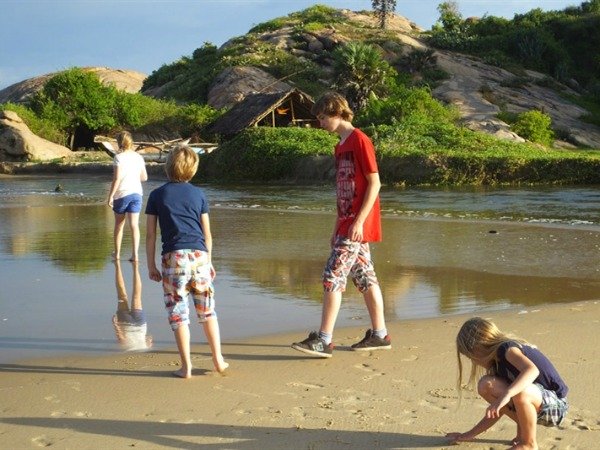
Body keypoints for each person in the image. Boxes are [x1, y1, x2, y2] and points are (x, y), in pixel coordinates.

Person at [291, 92, 390, 358]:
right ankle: (380, 334)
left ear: (336, 113)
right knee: (365, 277)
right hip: (346, 222)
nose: (320, 122)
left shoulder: (359, 140)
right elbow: (344, 190)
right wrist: (337, 224)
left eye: (322, 117)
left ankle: (324, 340)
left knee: (332, 276)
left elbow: (375, 183)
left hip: (356, 224)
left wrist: (358, 221)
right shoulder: (340, 145)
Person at [145, 145, 228, 378]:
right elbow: (207, 233)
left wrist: (151, 265)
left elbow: (151, 234)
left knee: (178, 313)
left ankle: (186, 366)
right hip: (200, 256)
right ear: (193, 169)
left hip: (174, 258)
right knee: (207, 311)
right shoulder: (199, 194)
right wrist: (209, 262)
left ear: (167, 166)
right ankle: (218, 359)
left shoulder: (156, 195)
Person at [446, 317, 569, 450]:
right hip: (537, 402)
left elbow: (532, 371)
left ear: (479, 346)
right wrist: (469, 434)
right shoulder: (497, 365)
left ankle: (529, 444)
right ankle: (523, 434)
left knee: (519, 390)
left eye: (471, 356)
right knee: (486, 385)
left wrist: (506, 395)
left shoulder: (507, 349)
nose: (474, 362)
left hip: (556, 406)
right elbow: (496, 411)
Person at [107, 131, 148, 262]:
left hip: (122, 194)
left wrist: (110, 196)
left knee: (119, 224)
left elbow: (117, 179)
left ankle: (117, 254)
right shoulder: (138, 157)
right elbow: (144, 177)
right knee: (134, 225)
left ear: (119, 142)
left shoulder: (118, 157)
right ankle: (135, 255)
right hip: (136, 193)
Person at [112, 259, 153, 352]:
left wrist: (148, 339)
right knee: (122, 295)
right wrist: (115, 324)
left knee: (137, 296)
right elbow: (120, 337)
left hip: (140, 324)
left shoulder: (144, 348)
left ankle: (135, 267)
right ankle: (117, 266)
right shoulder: (126, 348)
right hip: (125, 324)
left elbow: (149, 341)